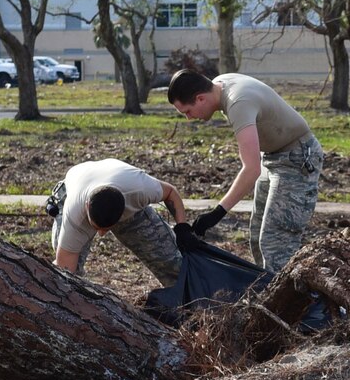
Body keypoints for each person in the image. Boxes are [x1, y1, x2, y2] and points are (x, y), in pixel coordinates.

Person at [167, 69, 323, 271]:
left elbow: (251, 169)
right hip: (273, 157)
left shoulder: (238, 103)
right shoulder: (219, 84)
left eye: (187, 111)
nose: (189, 118)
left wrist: (216, 213)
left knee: (276, 242)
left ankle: (297, 301)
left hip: (297, 158)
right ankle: (270, 292)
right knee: (258, 237)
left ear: (200, 98)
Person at [47, 158, 188, 285]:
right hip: (74, 188)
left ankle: (191, 300)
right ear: (87, 206)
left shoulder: (139, 190)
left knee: (172, 262)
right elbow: (65, 269)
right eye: (96, 227)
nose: (101, 234)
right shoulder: (74, 215)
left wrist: (182, 228)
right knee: (69, 278)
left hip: (122, 185)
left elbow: (171, 193)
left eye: (107, 228)